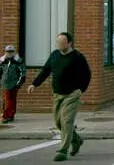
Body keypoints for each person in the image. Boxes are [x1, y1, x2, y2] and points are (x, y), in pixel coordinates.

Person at [27, 32, 91, 162]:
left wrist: (80, 90)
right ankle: (76, 140)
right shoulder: (55, 55)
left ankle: (62, 151)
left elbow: (87, 74)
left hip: (72, 94)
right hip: (57, 94)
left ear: (69, 43)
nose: (60, 44)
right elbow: (45, 70)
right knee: (58, 122)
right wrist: (34, 84)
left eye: (63, 42)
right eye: (58, 42)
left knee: (66, 121)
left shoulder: (77, 57)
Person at [0, 45, 26, 123]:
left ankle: (9, 115)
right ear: (5, 52)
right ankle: (7, 115)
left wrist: (19, 84)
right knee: (8, 100)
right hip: (5, 84)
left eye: (11, 52)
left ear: (14, 52)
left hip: (14, 84)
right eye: (8, 52)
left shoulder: (18, 61)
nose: (9, 53)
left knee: (12, 100)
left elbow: (23, 73)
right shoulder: (2, 61)